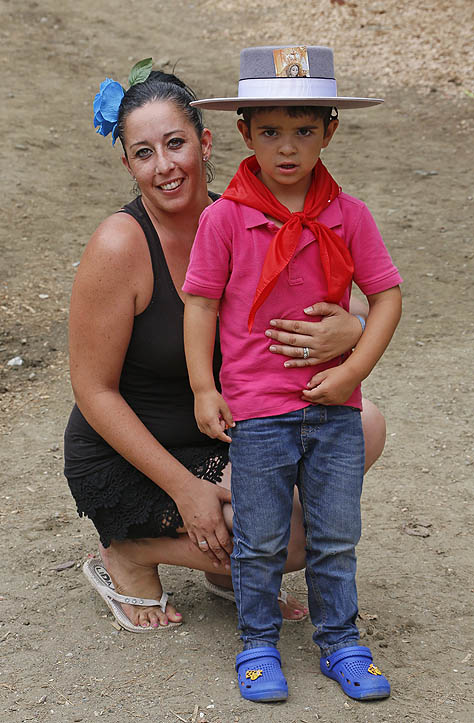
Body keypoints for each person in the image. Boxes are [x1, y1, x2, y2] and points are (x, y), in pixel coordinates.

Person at [64, 61, 387, 636]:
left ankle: (229, 571)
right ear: (127, 165)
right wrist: (186, 490)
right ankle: (128, 552)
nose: (164, 166)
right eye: (144, 152)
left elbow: (328, 295)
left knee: (364, 423)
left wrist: (354, 327)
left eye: (175, 144)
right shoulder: (119, 246)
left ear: (206, 142)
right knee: (287, 541)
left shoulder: (241, 216)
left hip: (225, 428)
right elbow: (93, 391)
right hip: (135, 453)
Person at [183, 44, 402, 702]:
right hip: (259, 412)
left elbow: (387, 296)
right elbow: (202, 301)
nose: (287, 148)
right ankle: (257, 641)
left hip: (334, 408)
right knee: (261, 536)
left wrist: (353, 369)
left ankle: (339, 639)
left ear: (330, 131)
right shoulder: (225, 218)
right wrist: (204, 384)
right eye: (271, 131)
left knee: (337, 531)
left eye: (304, 131)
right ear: (245, 133)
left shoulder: (348, 215)